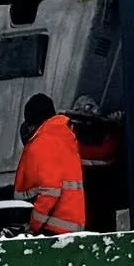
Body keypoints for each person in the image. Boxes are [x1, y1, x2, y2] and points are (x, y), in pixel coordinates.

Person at [15, 94, 86, 236]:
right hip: (70, 224)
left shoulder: (44, 142)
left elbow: (50, 191)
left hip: (52, 228)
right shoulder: (63, 137)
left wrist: (33, 226)